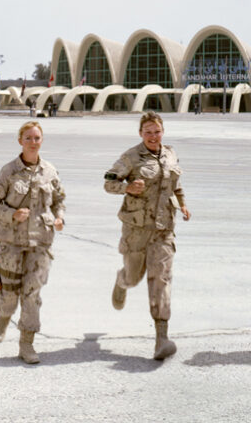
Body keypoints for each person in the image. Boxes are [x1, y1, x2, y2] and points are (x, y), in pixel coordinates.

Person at [104, 112, 190, 360]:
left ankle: (161, 338)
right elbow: (108, 183)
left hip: (164, 229)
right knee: (133, 277)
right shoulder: (130, 157)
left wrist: (183, 204)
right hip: (137, 230)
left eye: (157, 131)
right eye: (148, 132)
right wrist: (126, 187)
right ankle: (122, 282)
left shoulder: (170, 154)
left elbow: (176, 185)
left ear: (163, 132)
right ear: (141, 134)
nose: (153, 136)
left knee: (161, 279)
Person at [0, 121, 65, 364]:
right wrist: (12, 214)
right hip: (11, 242)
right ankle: (4, 316)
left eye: (37, 138)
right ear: (20, 141)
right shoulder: (8, 171)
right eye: (28, 138)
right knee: (9, 294)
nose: (33, 142)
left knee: (32, 294)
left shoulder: (50, 171)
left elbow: (59, 199)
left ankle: (26, 344)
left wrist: (60, 216)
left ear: (42, 140)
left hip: (40, 243)